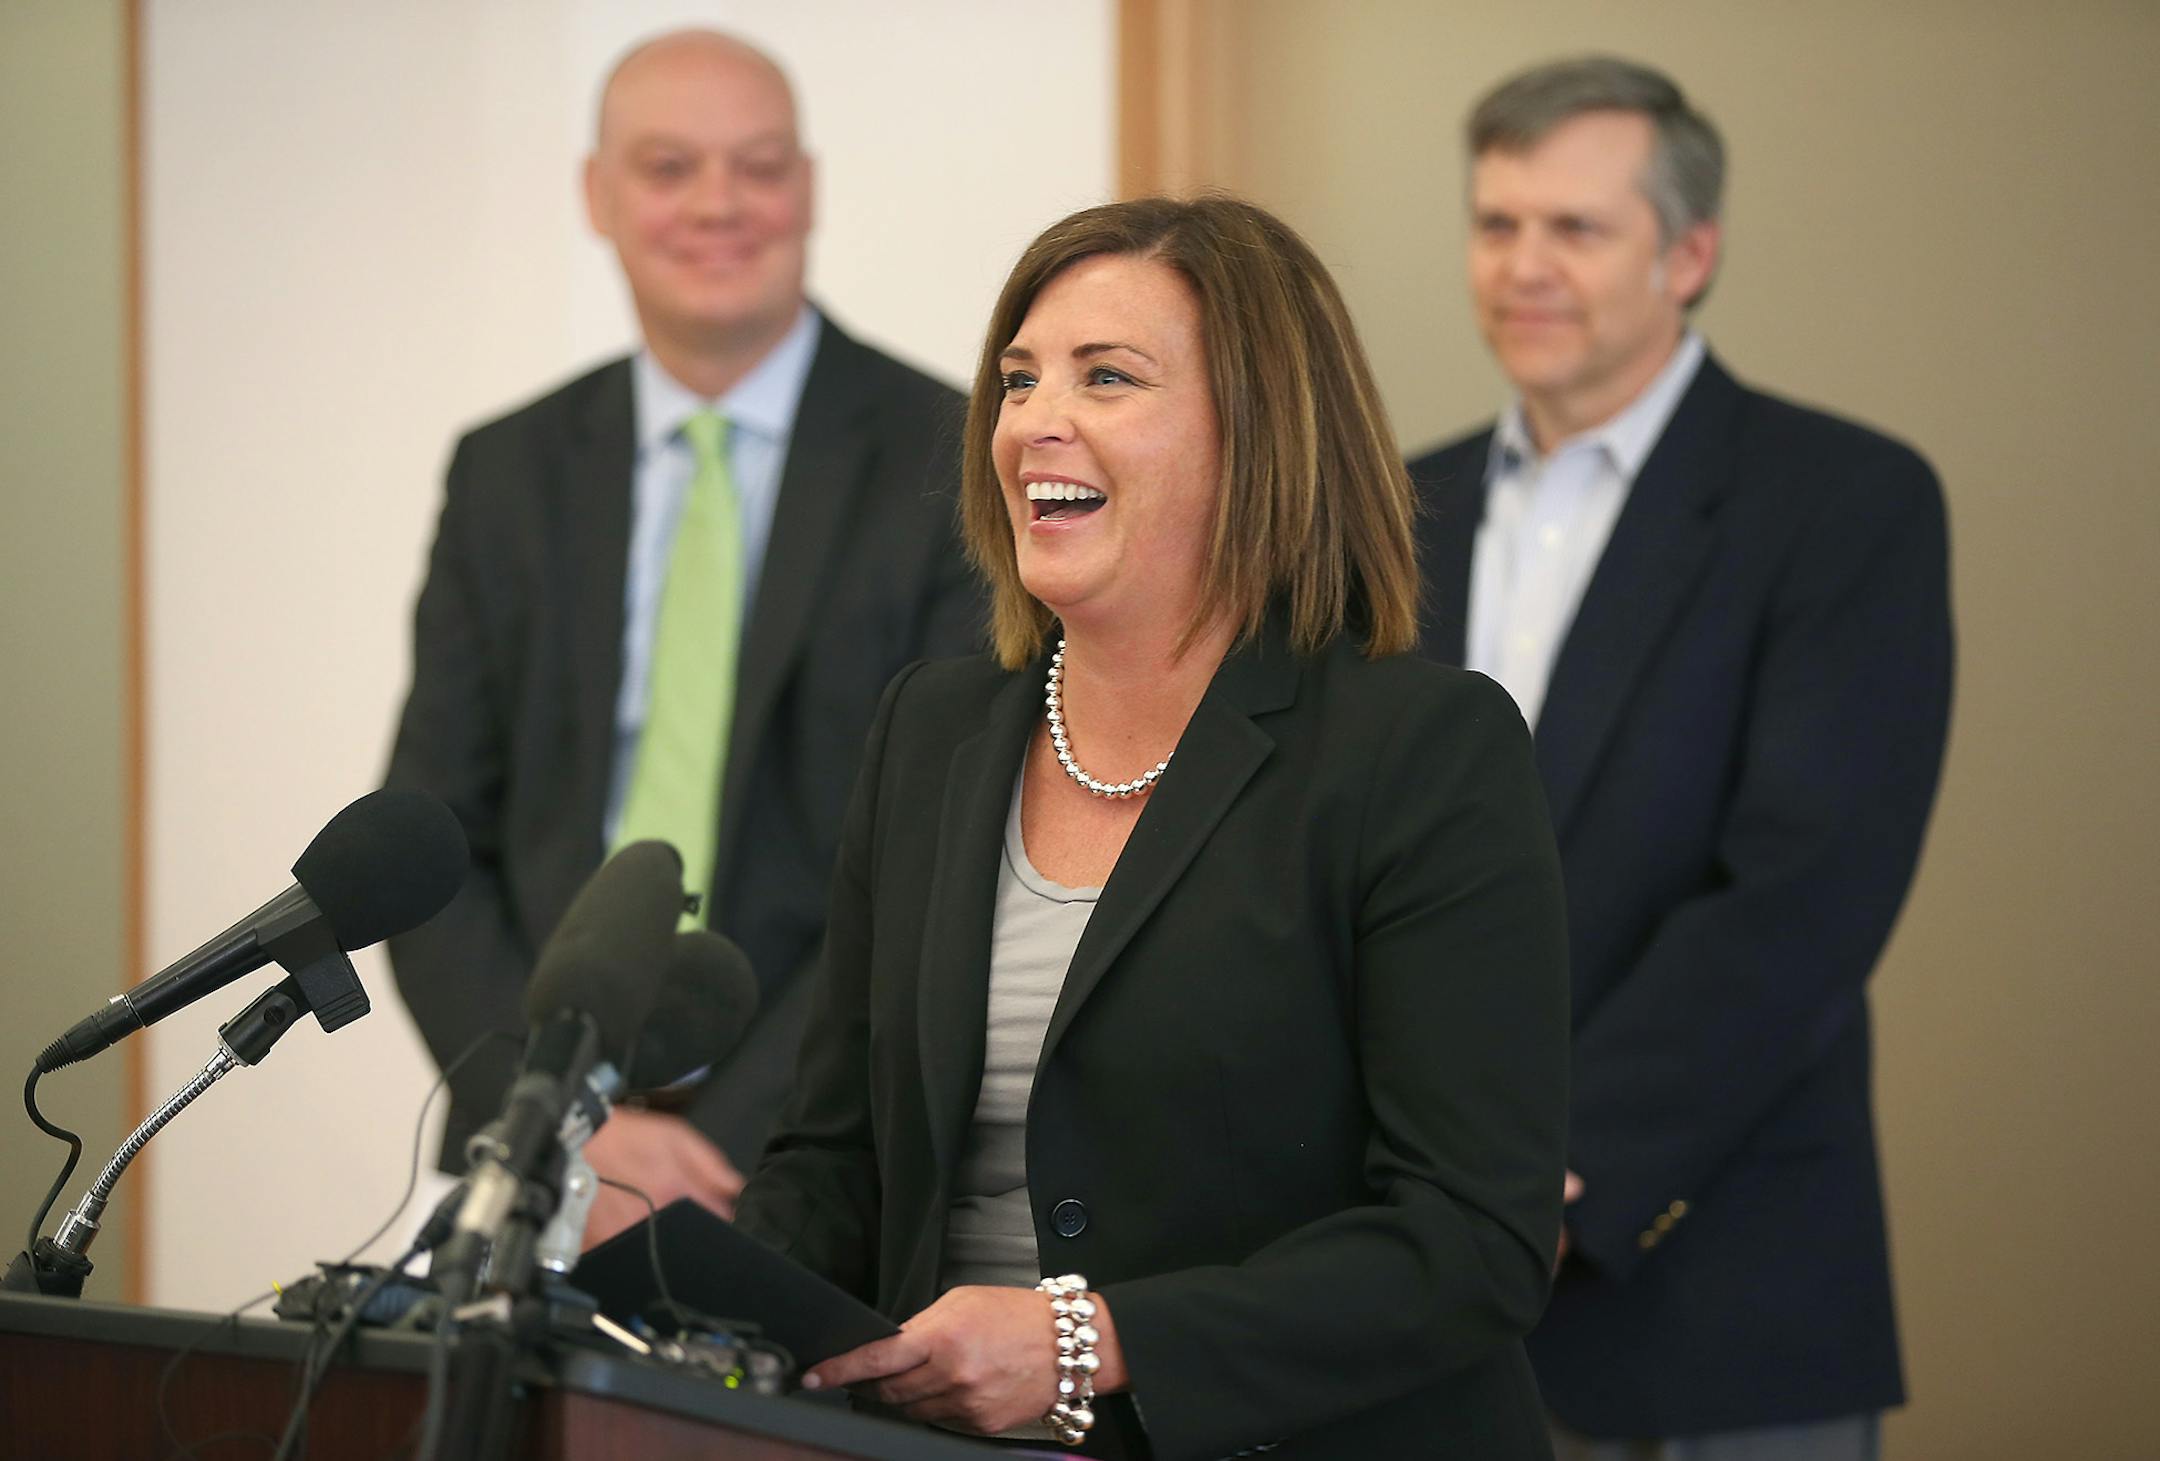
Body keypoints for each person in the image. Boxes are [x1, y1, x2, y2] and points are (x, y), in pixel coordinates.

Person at [731, 196, 1571, 1460]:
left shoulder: (1422, 752)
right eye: (1018, 381)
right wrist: (677, 1320)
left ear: (1259, 434)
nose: (1034, 424)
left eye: (1106, 377)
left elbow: (1472, 1238)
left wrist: (1087, 1343)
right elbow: (835, 1159)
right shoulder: (931, 732)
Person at [1408, 57, 1954, 1460]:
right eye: (1496, 224)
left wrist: (1547, 1178)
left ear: (1690, 252)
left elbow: (1806, 893)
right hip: (1399, 1287)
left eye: (1575, 229)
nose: (1524, 268)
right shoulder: (1393, 508)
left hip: (1706, 1273)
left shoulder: (1843, 502)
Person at [383, 30, 980, 1244]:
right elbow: (431, 844)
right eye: (669, 168)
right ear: (597, 197)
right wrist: (558, 1118)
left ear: (807, 187)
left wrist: (724, 1143)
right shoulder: (508, 472)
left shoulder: (952, 460)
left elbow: (942, 864)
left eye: (758, 166)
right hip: (532, 1148)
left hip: (821, 1158)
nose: (720, 204)